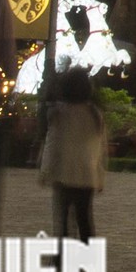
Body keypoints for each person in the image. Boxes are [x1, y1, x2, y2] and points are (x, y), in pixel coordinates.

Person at [37, 66, 106, 240]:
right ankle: (88, 257)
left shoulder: (59, 113)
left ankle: (62, 256)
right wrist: (99, 175)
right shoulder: (94, 114)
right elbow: (100, 148)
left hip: (63, 173)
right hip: (86, 175)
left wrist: (45, 171)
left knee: (62, 220)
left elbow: (53, 144)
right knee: (84, 219)